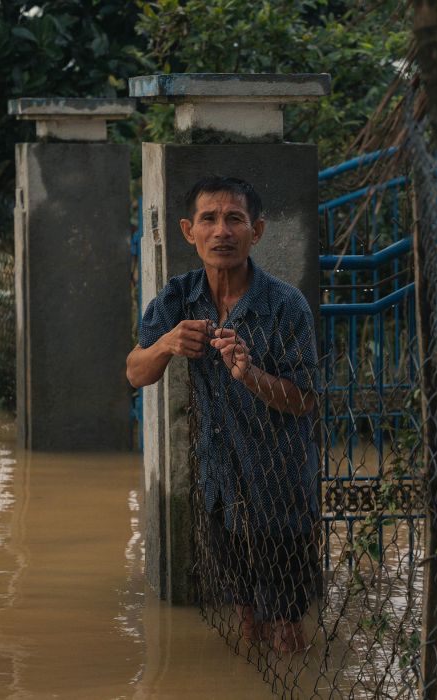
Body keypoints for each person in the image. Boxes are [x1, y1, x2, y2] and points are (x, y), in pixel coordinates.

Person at [125, 176, 321, 653]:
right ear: (189, 231)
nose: (222, 231)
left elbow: (306, 400)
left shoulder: (284, 305)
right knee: (244, 617)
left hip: (280, 486)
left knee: (287, 629)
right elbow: (135, 371)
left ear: (256, 231)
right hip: (217, 481)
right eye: (209, 220)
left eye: (234, 219)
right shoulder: (178, 297)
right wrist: (168, 343)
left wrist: (250, 373)